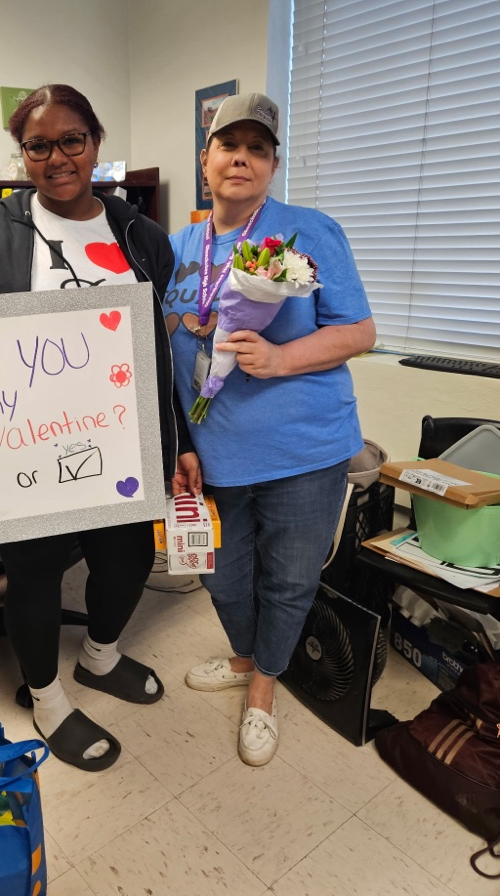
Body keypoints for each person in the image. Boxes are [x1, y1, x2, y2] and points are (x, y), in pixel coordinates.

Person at [0, 83, 192, 772]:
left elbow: (161, 350)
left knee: (125, 561)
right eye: (39, 145)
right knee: (33, 575)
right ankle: (47, 698)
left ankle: (99, 657)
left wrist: (179, 442)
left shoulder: (141, 235)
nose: (57, 157)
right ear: (22, 153)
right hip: (24, 448)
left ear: (94, 142)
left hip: (122, 439)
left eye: (72, 140)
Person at [166, 92, 375, 767]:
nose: (242, 159)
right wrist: (179, 441)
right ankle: (244, 654)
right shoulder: (175, 247)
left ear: (273, 164)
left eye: (258, 149)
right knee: (220, 576)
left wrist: (282, 358)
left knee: (287, 580)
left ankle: (263, 686)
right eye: (230, 145)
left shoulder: (306, 232)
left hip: (303, 449)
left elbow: (360, 331)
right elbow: (160, 343)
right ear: (206, 159)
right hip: (213, 453)